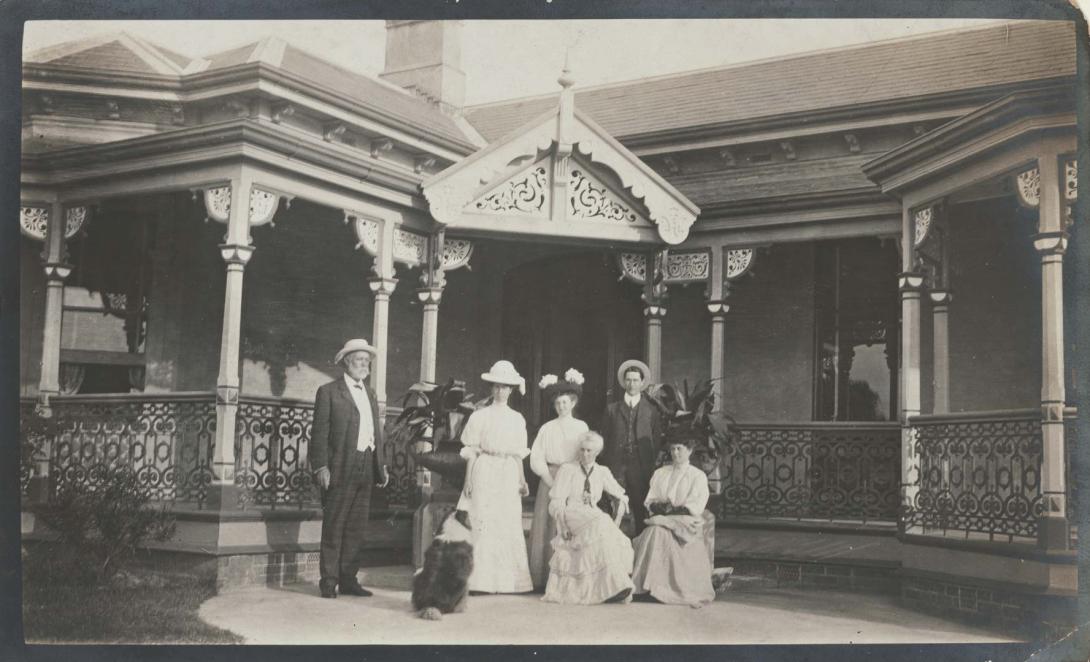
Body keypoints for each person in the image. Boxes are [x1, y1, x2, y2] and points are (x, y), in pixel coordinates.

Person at [310, 338, 390, 599]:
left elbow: (375, 432)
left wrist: (381, 463)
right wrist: (321, 466)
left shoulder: (370, 393)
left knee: (357, 527)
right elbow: (319, 433)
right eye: (359, 360)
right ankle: (329, 581)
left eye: (367, 361)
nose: (364, 365)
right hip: (340, 465)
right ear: (347, 362)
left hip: (366, 464)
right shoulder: (329, 391)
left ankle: (349, 580)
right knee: (335, 524)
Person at [458, 360, 534, 594]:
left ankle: (507, 582)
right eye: (496, 386)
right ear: (491, 388)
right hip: (485, 469)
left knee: (506, 522)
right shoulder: (479, 416)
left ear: (511, 390)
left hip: (508, 472)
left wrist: (522, 479)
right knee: (483, 521)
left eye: (505, 387)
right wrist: (467, 481)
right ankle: (480, 582)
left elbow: (517, 453)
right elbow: (472, 450)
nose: (500, 391)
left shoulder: (517, 418)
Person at [542, 431, 634, 605]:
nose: (584, 454)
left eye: (589, 451)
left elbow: (619, 492)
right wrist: (563, 526)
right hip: (572, 514)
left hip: (592, 513)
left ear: (597, 452)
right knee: (602, 522)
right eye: (582, 450)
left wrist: (621, 503)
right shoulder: (568, 469)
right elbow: (556, 501)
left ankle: (612, 586)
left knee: (612, 536)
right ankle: (614, 584)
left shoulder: (602, 471)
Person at [630, 437, 716, 608]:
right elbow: (651, 500)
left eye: (679, 449)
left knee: (656, 531)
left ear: (690, 451)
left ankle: (656, 587)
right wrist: (660, 512)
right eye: (672, 449)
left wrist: (667, 516)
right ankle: (648, 586)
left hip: (685, 521)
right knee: (654, 531)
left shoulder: (697, 476)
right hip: (661, 519)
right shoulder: (661, 473)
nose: (675, 453)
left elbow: (695, 506)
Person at [527, 369, 589, 590]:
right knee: (548, 524)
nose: (561, 407)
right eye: (558, 404)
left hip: (572, 477)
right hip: (550, 477)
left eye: (565, 403)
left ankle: (569, 577)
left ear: (572, 403)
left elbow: (586, 452)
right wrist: (548, 478)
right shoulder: (547, 428)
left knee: (570, 522)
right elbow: (537, 456)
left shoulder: (581, 427)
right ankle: (544, 576)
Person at [598, 359, 662, 536]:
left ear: (642, 383)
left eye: (635, 380)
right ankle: (610, 546)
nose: (631, 384)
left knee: (640, 506)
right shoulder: (612, 409)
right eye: (628, 380)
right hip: (615, 465)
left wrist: (647, 462)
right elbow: (604, 438)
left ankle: (639, 545)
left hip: (640, 467)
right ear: (623, 382)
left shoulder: (651, 411)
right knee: (612, 505)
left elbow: (655, 440)